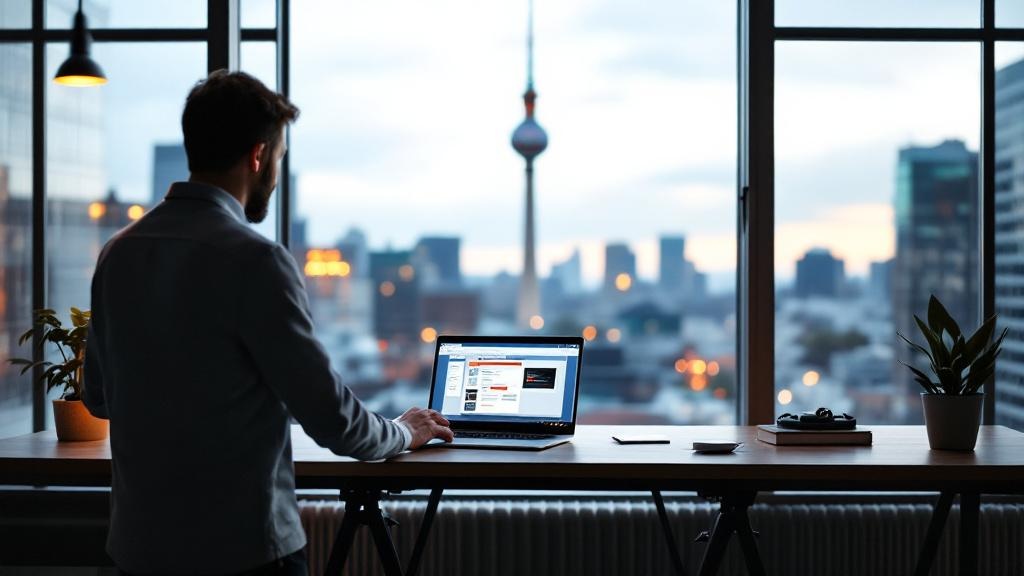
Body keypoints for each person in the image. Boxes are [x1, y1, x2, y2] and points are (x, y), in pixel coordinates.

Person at [82, 70, 454, 575]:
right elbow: (333, 419)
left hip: (138, 551)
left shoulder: (117, 254)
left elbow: (99, 398)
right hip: (242, 552)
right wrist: (403, 432)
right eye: (278, 159)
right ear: (258, 156)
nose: (275, 175)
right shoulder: (255, 261)